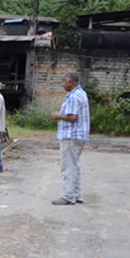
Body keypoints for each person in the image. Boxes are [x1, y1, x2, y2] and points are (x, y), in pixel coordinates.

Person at [50, 71, 90, 205]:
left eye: (63, 82)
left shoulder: (73, 96)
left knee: (68, 166)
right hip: (78, 135)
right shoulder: (81, 93)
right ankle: (77, 194)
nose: (62, 85)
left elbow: (73, 117)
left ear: (70, 82)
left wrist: (58, 115)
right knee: (75, 165)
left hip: (71, 136)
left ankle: (68, 196)